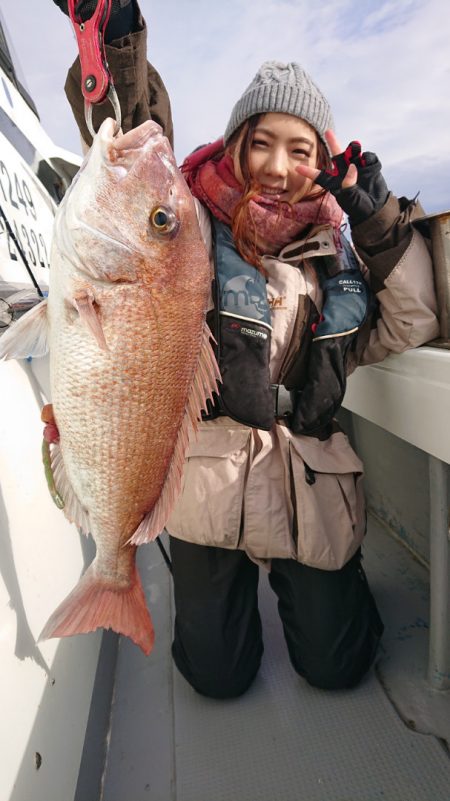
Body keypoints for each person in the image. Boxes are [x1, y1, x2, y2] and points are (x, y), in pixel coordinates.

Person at [51, 0, 439, 698]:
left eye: (301, 149)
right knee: (214, 676)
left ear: (325, 162)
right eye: (261, 142)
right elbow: (141, 155)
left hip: (309, 482)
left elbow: (409, 322)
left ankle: (327, 592)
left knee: (338, 667)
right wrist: (116, 46)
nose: (279, 166)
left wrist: (378, 218)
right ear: (234, 147)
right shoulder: (194, 238)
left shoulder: (340, 259)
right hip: (209, 481)